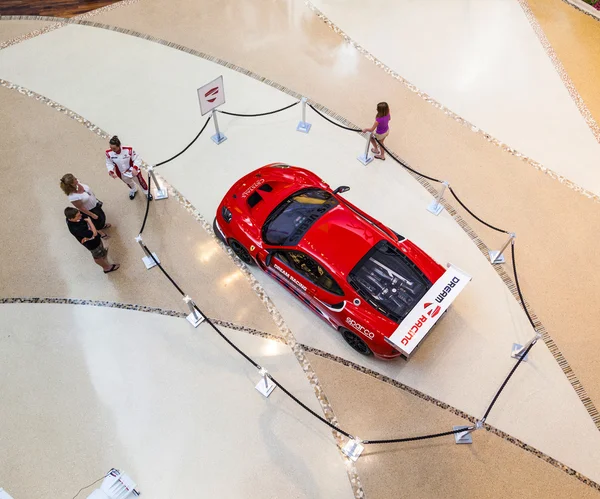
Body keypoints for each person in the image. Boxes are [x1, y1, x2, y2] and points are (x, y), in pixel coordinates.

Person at [65, 207, 120, 273]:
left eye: (79, 213)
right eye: (78, 216)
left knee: (100, 247)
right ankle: (106, 268)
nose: (81, 215)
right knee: (97, 256)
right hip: (92, 244)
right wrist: (89, 221)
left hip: (94, 239)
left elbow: (84, 215)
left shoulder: (73, 216)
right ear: (71, 219)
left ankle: (102, 254)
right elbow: (94, 233)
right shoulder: (76, 229)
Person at [105, 135, 153, 200]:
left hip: (134, 171)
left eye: (114, 148)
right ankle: (133, 190)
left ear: (119, 146)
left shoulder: (128, 150)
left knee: (140, 182)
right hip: (122, 173)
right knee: (128, 182)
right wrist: (110, 171)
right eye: (110, 148)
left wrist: (135, 168)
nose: (112, 150)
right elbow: (109, 163)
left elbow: (137, 158)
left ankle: (147, 192)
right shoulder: (109, 153)